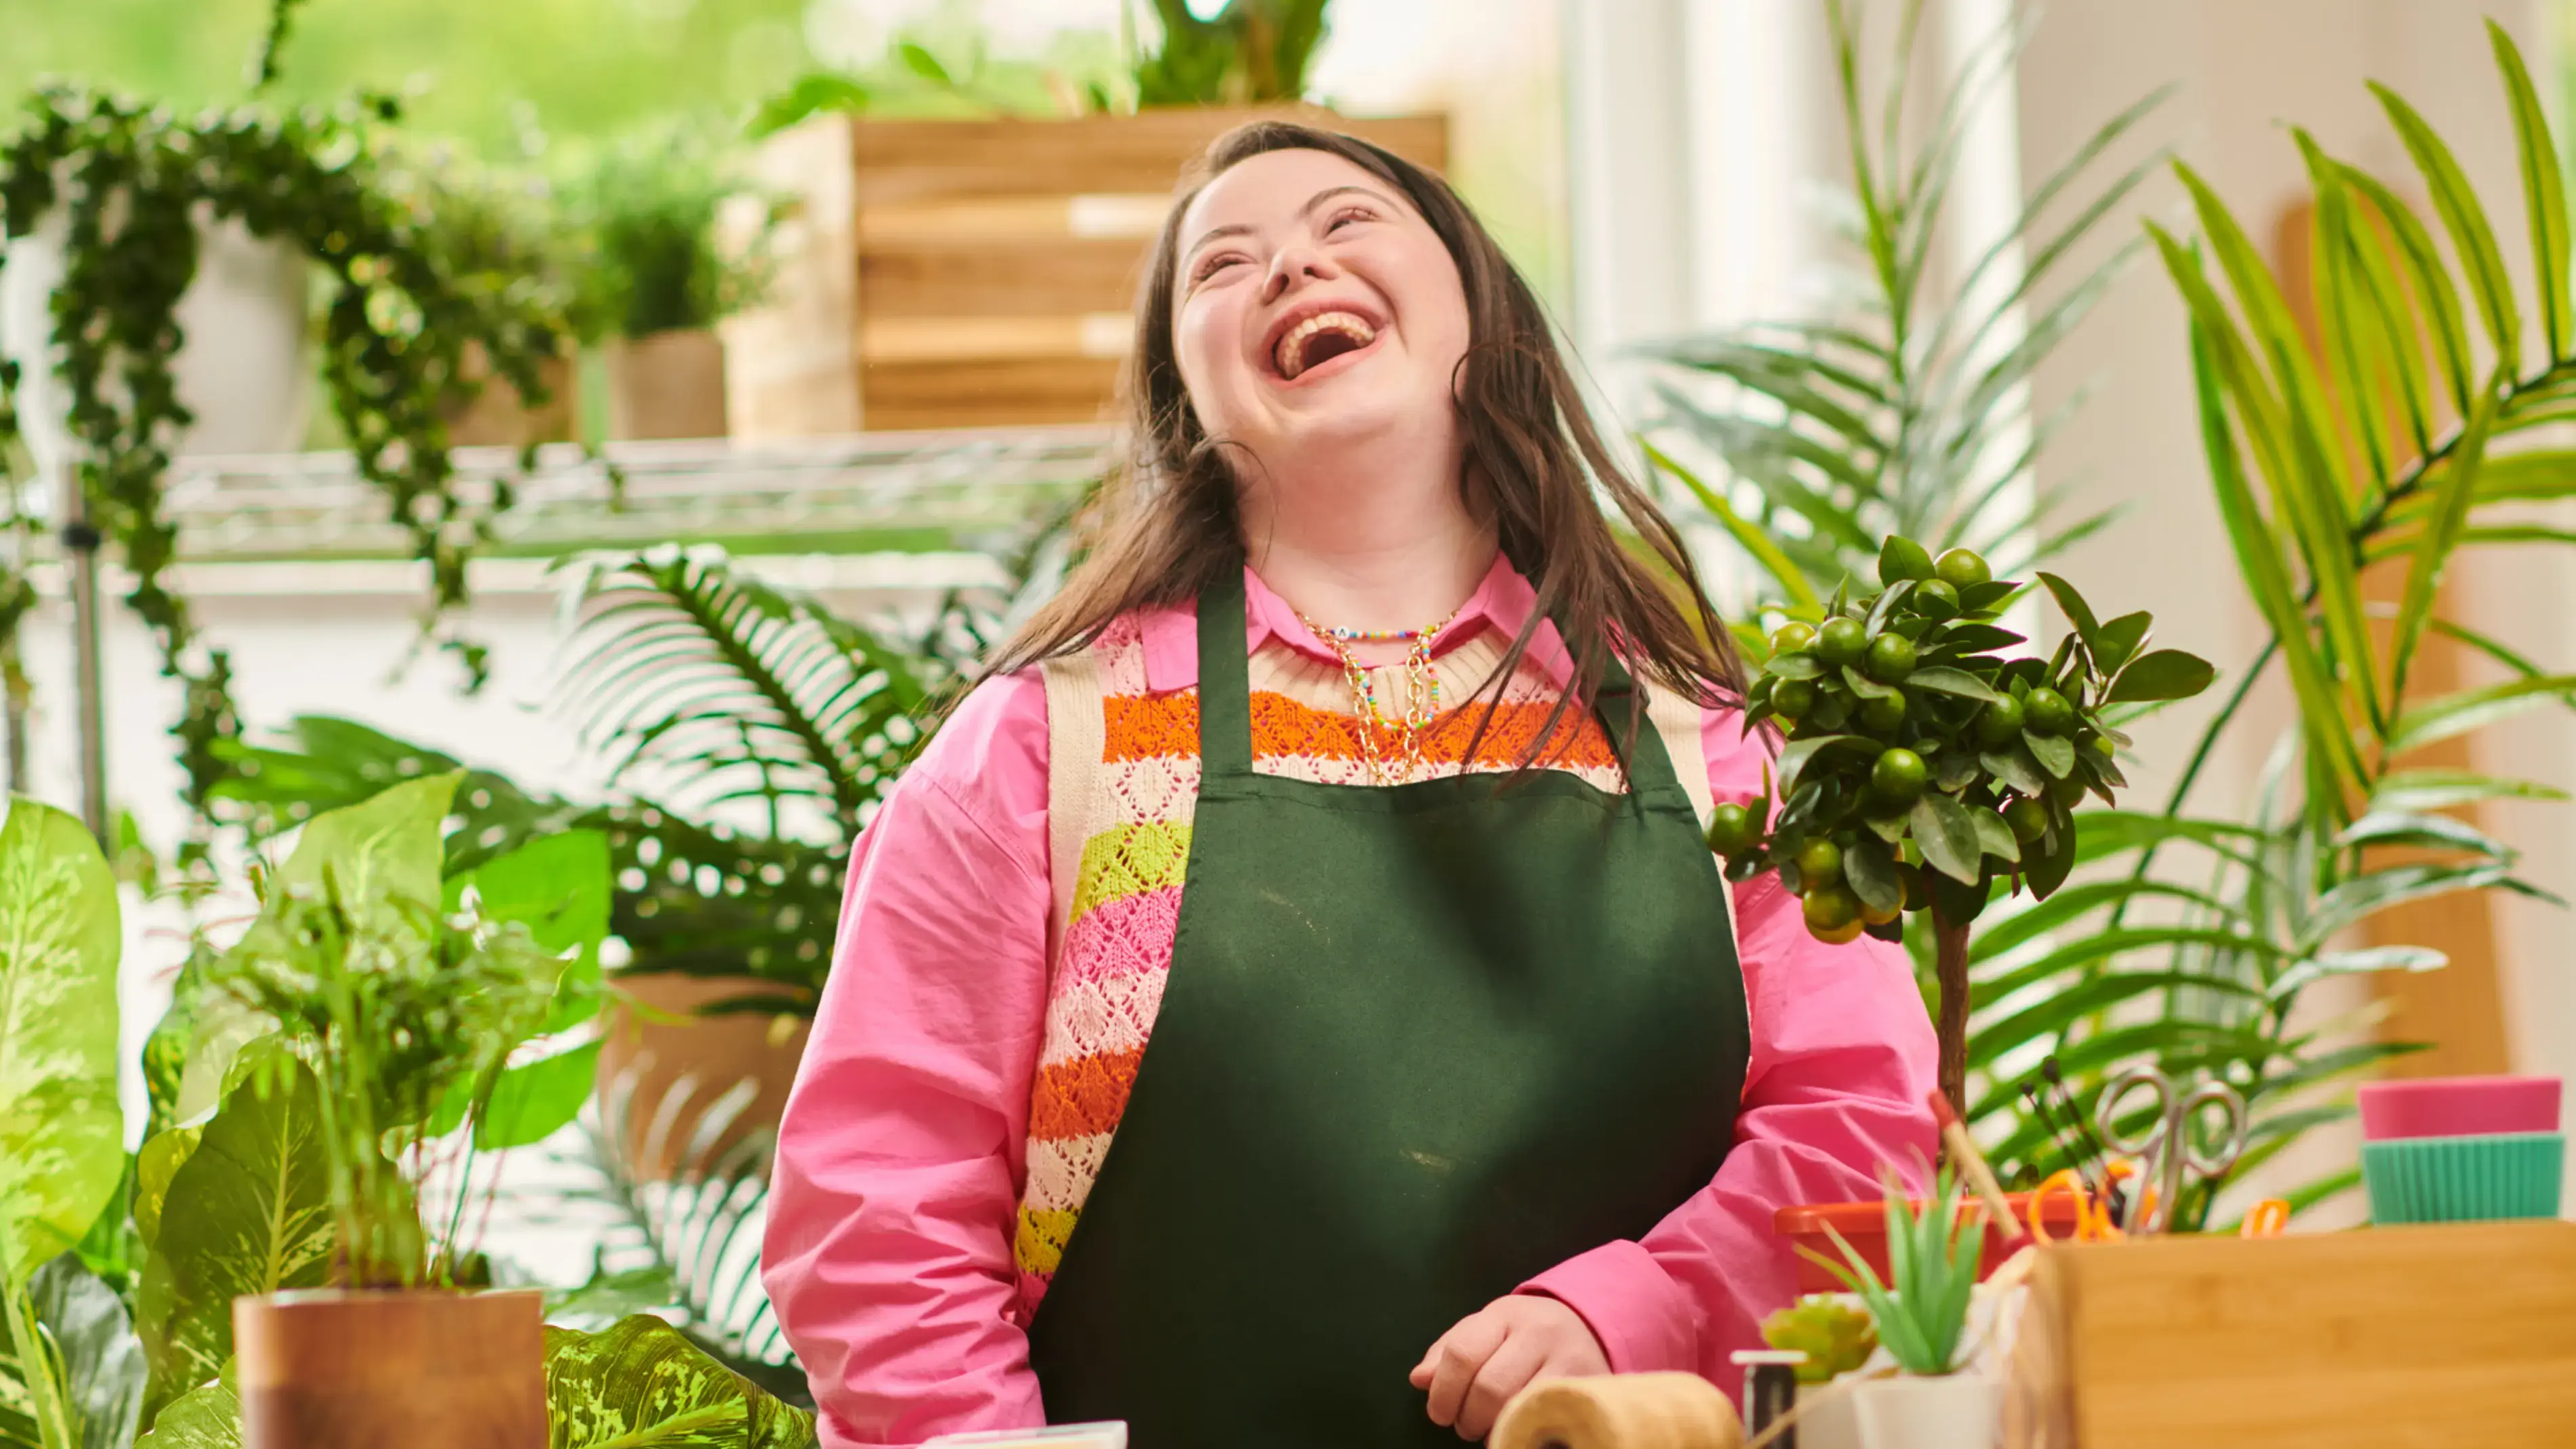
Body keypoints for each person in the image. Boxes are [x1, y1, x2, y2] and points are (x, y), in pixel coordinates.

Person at [762, 120, 1935, 1448]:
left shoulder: (1711, 748)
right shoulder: (1033, 754)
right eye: (1221, 266)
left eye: (1344, 222)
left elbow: (1862, 1130)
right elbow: (876, 1223)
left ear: (1477, 306)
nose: (1289, 269)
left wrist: (1636, 1309)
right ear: (1182, 398)